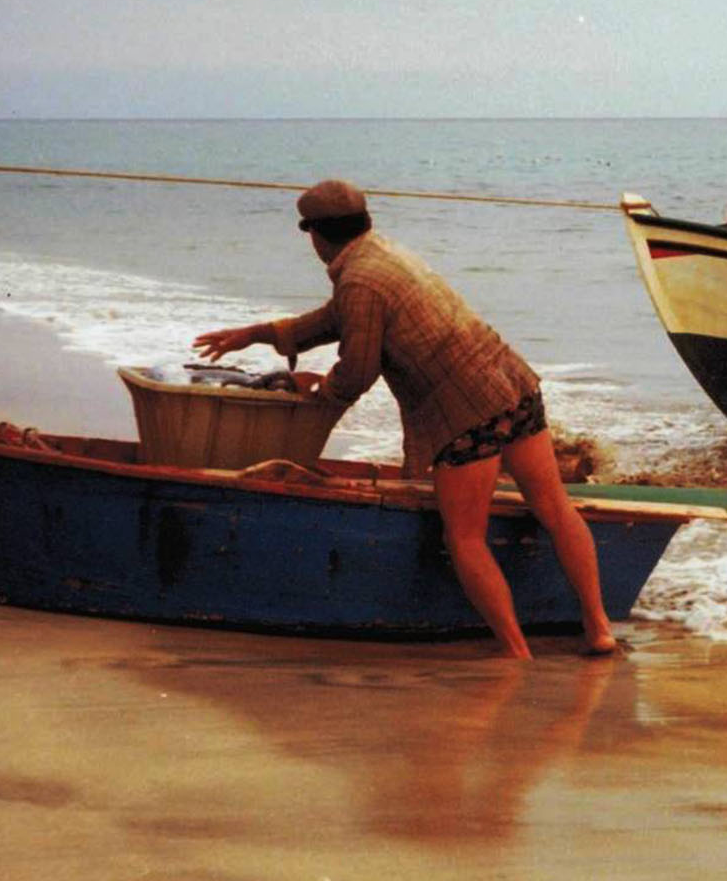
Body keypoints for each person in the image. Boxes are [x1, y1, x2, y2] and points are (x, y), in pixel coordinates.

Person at [193, 179, 616, 659]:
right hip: (510, 383)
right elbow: (338, 317)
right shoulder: (382, 253)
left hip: (463, 411)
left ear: (316, 234)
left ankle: (516, 654)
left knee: (464, 537)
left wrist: (318, 397)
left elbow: (358, 370)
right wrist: (259, 334)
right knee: (556, 509)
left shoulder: (358, 278)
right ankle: (599, 627)